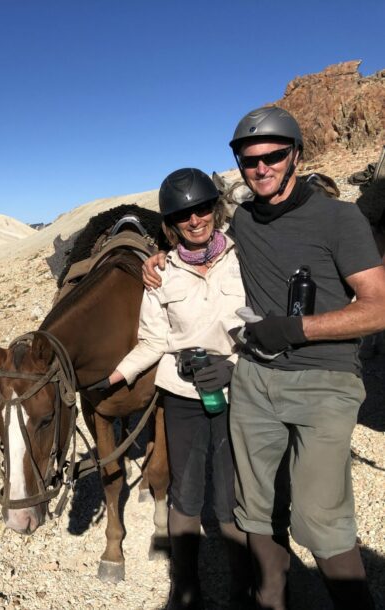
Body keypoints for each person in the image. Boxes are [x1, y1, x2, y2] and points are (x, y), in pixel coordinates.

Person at [143, 107, 385, 610]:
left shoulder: (339, 218)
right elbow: (200, 244)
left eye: (273, 156)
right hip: (254, 377)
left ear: (296, 154)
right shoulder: (245, 222)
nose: (261, 168)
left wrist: (297, 329)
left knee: (319, 516)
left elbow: (378, 307)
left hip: (324, 377)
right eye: (250, 160)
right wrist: (158, 257)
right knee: (254, 510)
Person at [93, 168, 251, 610]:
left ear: (215, 210)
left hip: (237, 389)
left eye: (202, 209)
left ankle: (242, 589)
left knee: (229, 493)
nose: (194, 220)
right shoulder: (162, 274)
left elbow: (263, 323)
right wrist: (113, 378)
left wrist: (234, 365)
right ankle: (184, 587)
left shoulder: (244, 257)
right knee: (186, 493)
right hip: (182, 395)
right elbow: (153, 341)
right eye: (183, 214)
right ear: (171, 224)